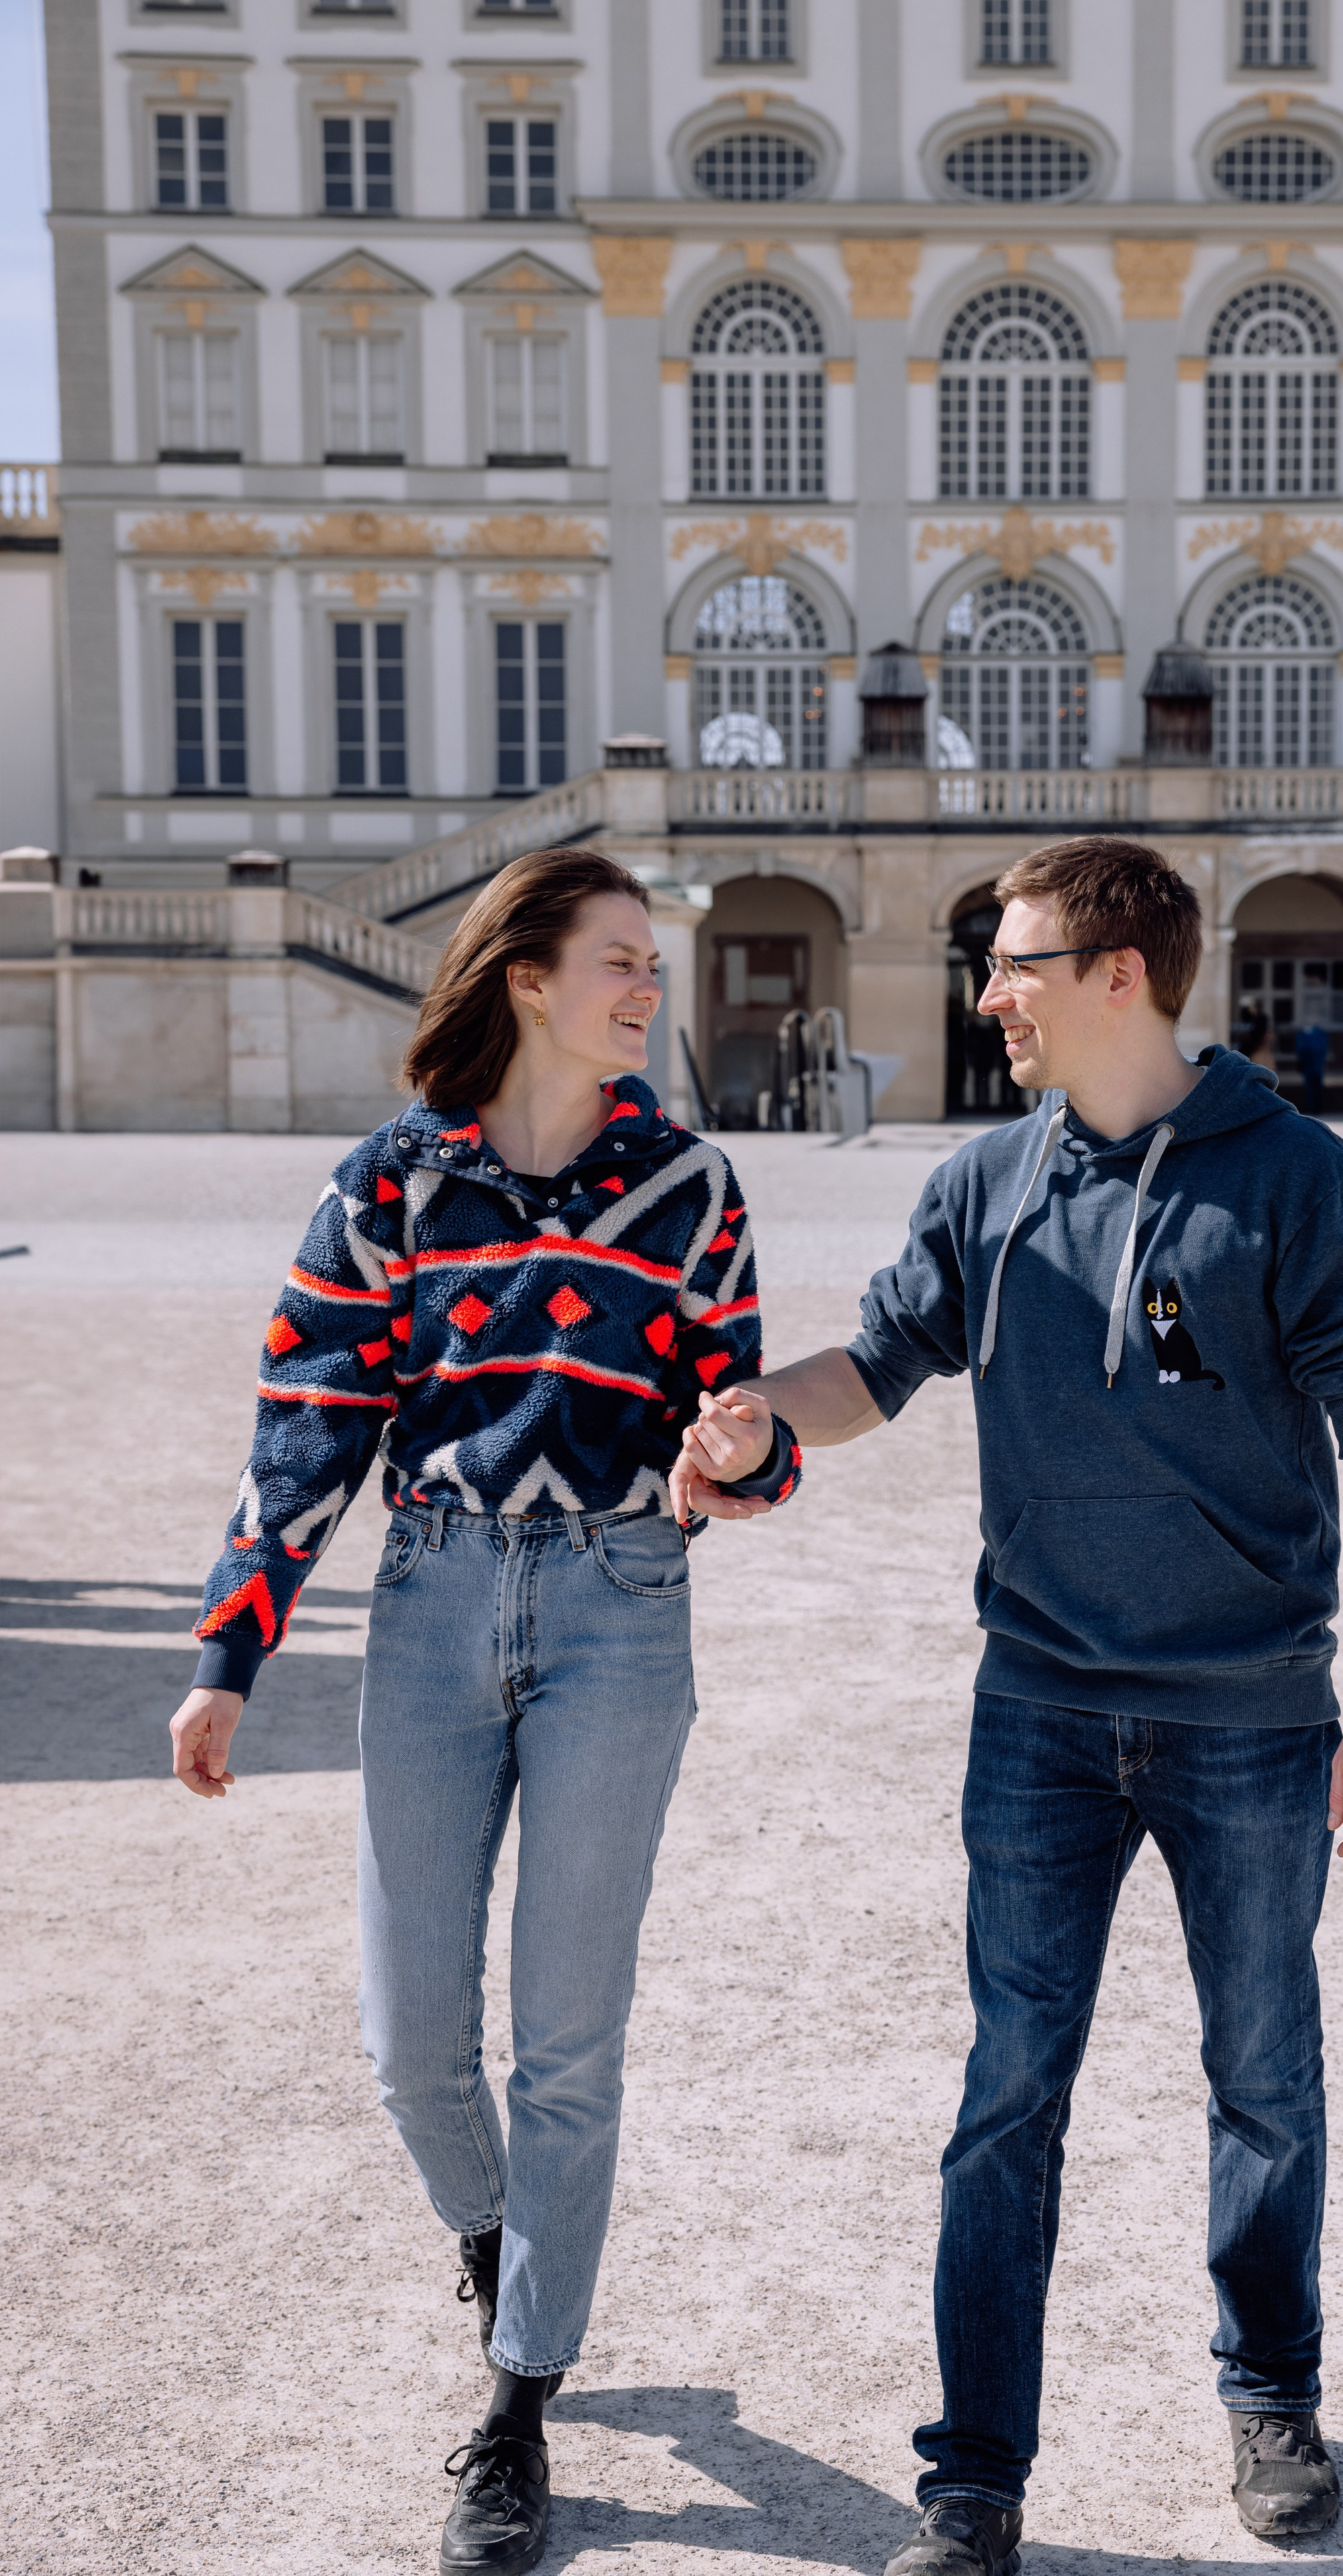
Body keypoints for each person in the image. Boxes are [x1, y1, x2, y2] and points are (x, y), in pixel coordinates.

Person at [673, 835, 1343, 2562]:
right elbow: (878, 1365)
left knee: (1262, 2072)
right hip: (1035, 1710)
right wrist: (760, 1415)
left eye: (1010, 963)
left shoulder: (1306, 1188)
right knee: (1006, 2090)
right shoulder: (982, 1181)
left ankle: (1269, 2392)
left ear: (1115, 974)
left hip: (1248, 1714)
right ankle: (973, 2476)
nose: (985, 995)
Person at [167, 848, 798, 2576]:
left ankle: (518, 2398)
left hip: (619, 1606)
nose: (647, 987)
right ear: (526, 973)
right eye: (618, 959)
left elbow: (738, 1423)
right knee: (408, 2042)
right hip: (433, 1596)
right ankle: (498, 2237)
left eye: (651, 964)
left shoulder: (688, 1184)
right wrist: (229, 1652)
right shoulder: (391, 1184)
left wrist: (744, 1448)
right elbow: (305, 1421)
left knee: (566, 2045)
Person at [1295, 1017, 1330, 1118]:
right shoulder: (1319, 1035)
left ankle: (1312, 1108)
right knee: (1315, 1087)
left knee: (1311, 1088)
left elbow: (1300, 1050)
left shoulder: (1305, 1036)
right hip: (1315, 1066)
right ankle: (1316, 1108)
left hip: (1312, 1066)